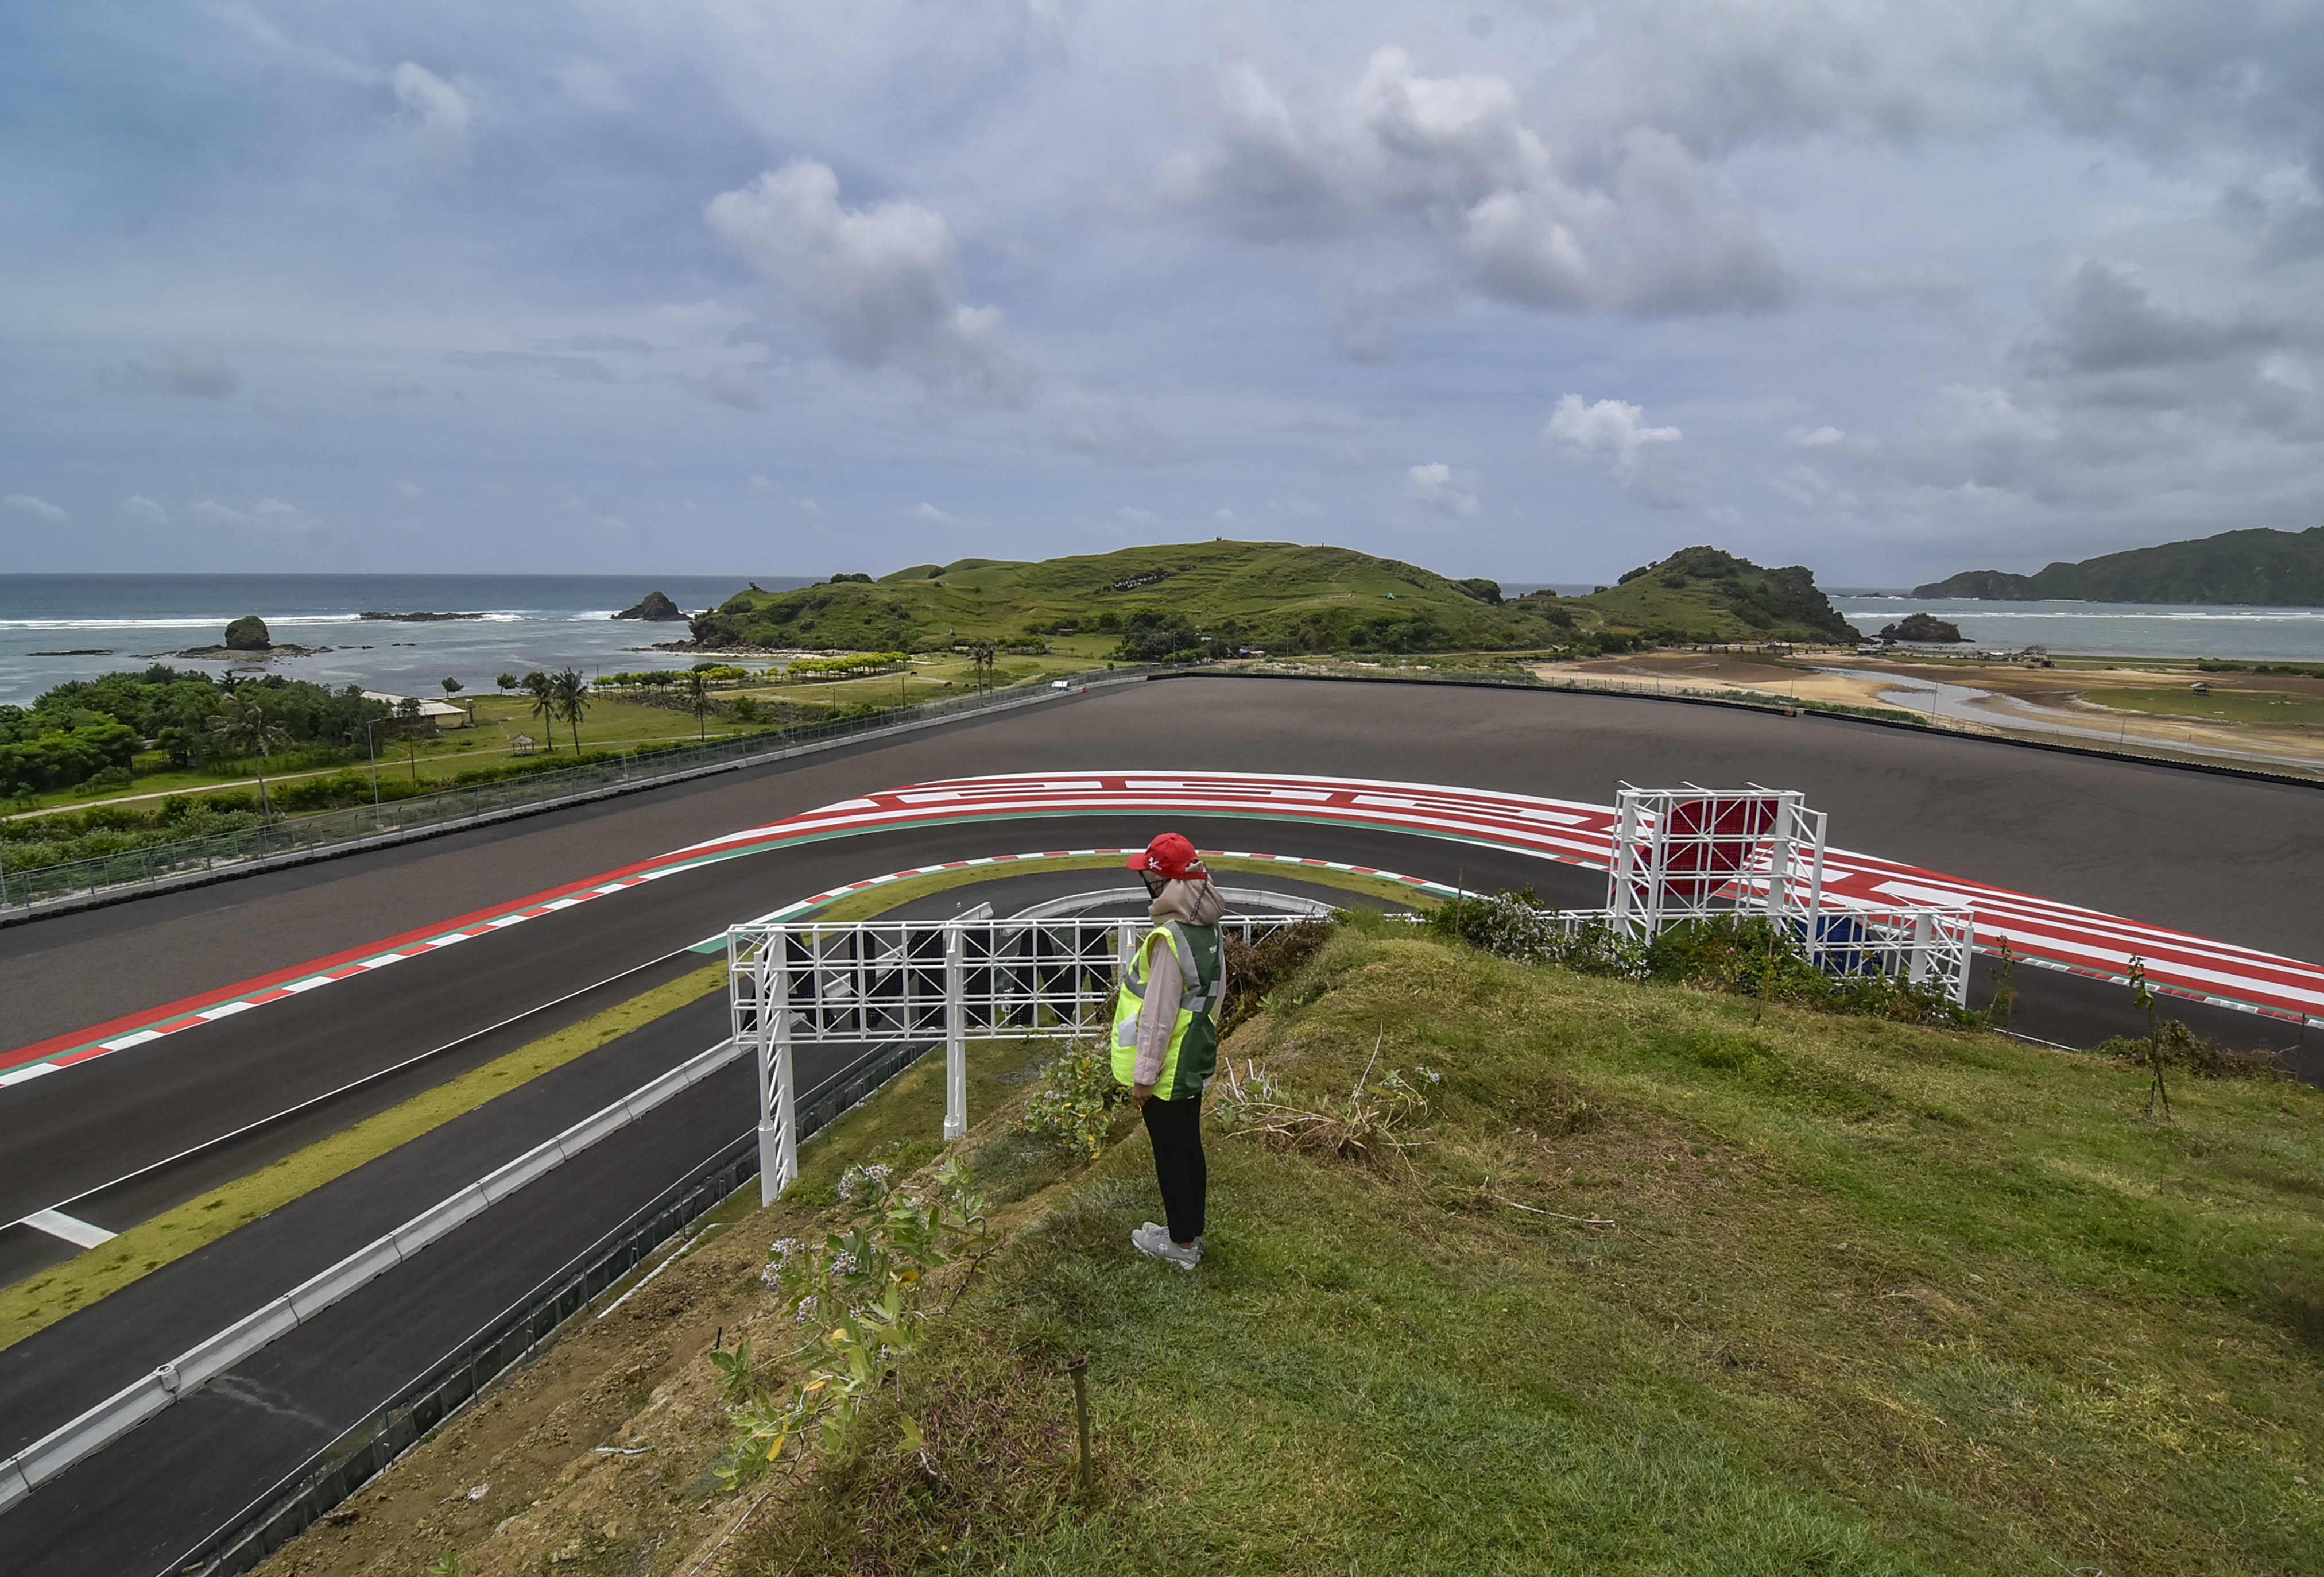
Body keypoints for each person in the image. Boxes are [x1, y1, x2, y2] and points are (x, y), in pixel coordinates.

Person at [1111, 831, 1227, 1271]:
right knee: (1188, 1146)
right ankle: (1189, 1232)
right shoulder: (1209, 930)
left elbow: (1158, 1017)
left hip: (1166, 1069)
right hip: (1193, 1059)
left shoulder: (1170, 939)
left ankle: (1180, 1246)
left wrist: (1144, 1077)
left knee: (1170, 1153)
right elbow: (1216, 997)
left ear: (1166, 883)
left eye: (1151, 875)